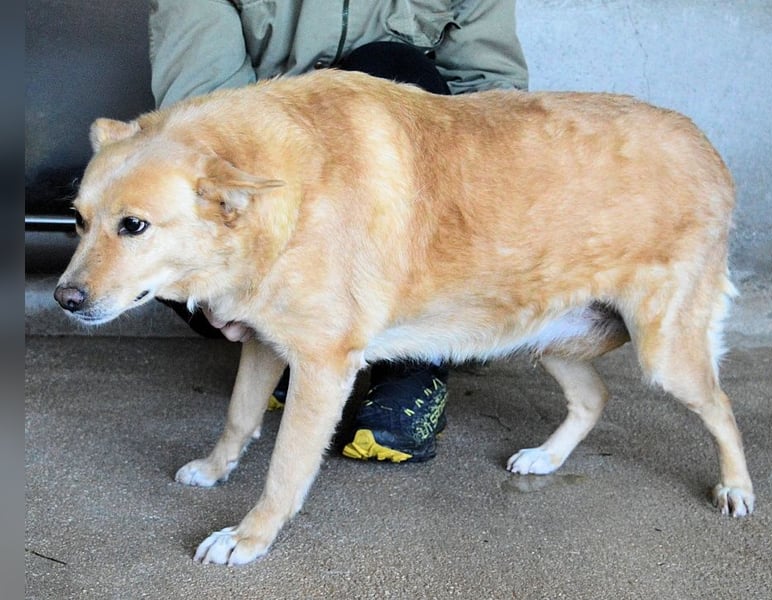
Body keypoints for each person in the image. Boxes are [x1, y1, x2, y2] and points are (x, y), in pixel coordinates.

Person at [148, 0, 529, 464]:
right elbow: (204, 122)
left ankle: (416, 364)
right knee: (138, 200)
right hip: (274, 184)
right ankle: (289, 335)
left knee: (394, 70)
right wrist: (234, 264)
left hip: (396, 202)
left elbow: (492, 110)